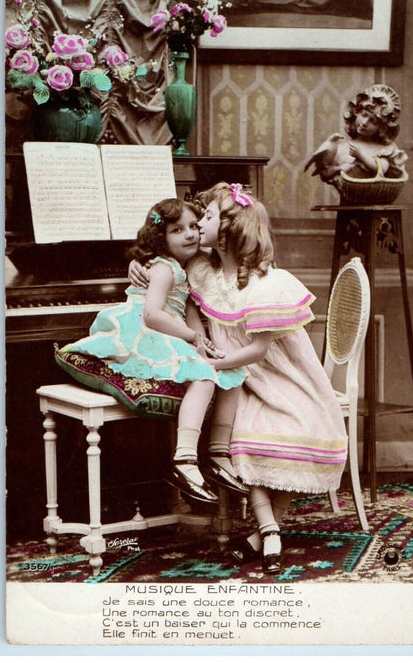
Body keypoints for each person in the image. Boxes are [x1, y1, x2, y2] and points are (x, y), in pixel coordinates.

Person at [129, 183, 348, 574]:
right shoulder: (199, 269)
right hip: (239, 376)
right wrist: (140, 265)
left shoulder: (266, 282)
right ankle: (270, 531)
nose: (195, 229)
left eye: (205, 220)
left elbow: (261, 350)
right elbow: (165, 260)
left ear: (226, 230)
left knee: (293, 426)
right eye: (192, 224)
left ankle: (266, 533)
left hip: (281, 374)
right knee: (248, 438)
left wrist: (214, 365)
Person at [59, 198, 247, 505]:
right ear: (161, 239)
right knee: (203, 377)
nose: (190, 234)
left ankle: (218, 453)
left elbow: (187, 313)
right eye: (177, 230)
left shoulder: (182, 267)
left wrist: (203, 344)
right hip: (144, 331)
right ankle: (185, 460)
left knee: (231, 371)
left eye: (193, 227)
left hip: (167, 329)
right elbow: (152, 314)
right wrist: (191, 338)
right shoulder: (163, 268)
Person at [314, 84, 408, 183]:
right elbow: (325, 175)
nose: (364, 123)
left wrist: (360, 155)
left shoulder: (386, 149)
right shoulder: (343, 148)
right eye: (364, 115)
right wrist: (336, 168)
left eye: (373, 121)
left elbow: (382, 170)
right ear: (356, 112)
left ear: (382, 128)